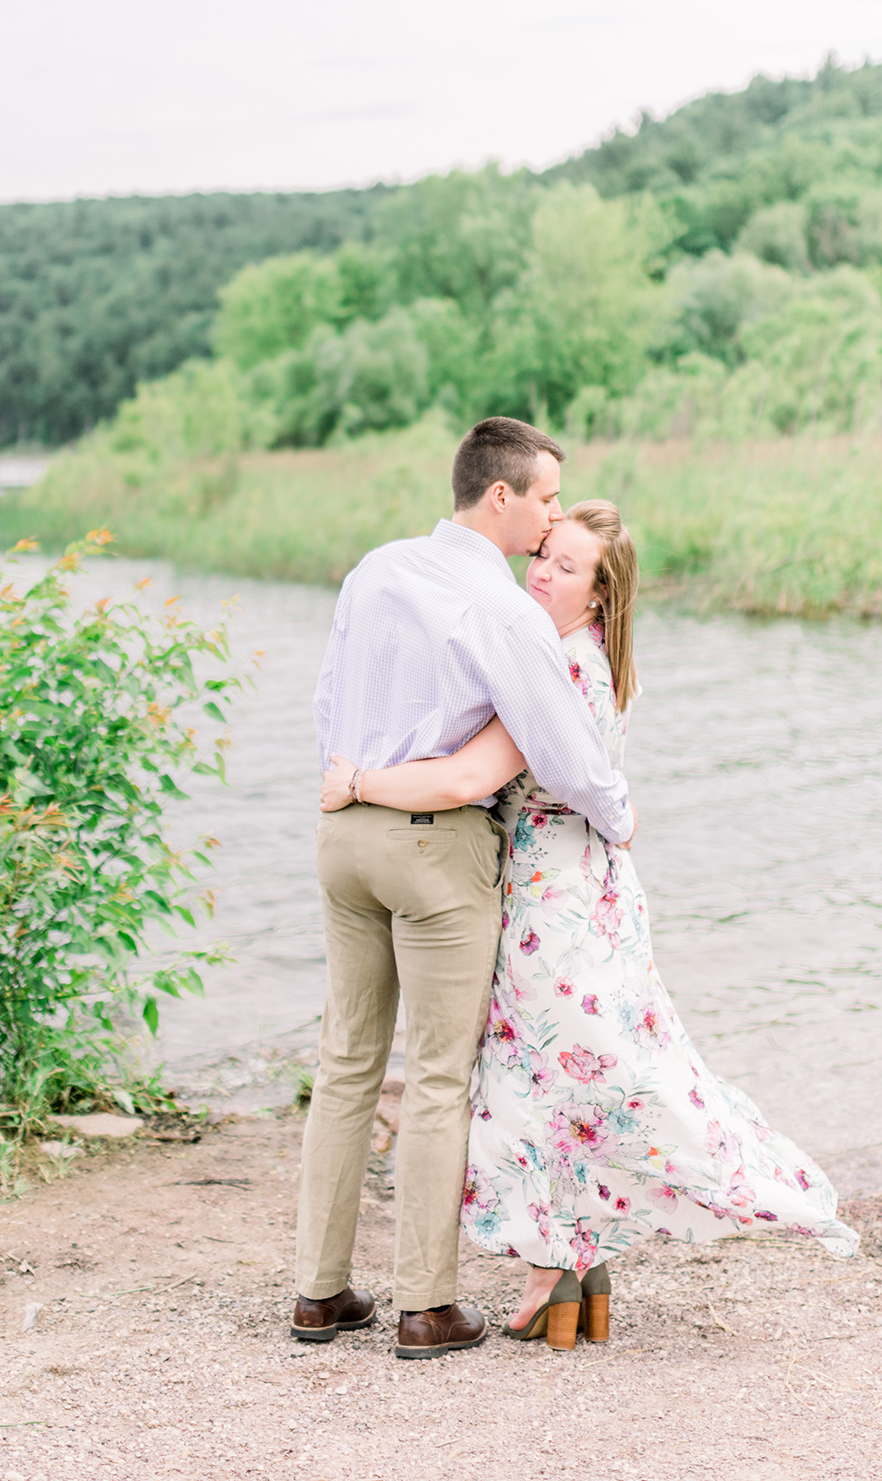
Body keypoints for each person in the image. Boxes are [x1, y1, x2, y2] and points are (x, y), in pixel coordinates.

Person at [322, 500, 859, 1350]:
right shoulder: (595, 657)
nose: (540, 574)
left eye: (566, 568)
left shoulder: (559, 666)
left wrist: (357, 781)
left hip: (551, 898)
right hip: (584, 886)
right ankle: (576, 1265)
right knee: (568, 1069)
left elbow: (468, 776)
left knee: (540, 1077)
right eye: (542, 557)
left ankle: (553, 1269)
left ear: (600, 596)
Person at [293, 420, 637, 1361]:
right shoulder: (505, 608)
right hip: (433, 849)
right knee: (439, 1078)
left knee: (347, 1064)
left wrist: (347, 783)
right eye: (547, 499)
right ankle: (426, 1308)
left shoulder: (376, 568)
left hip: (344, 836)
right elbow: (563, 750)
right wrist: (618, 812)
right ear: (502, 497)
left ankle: (319, 1295)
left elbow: (329, 702)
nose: (553, 516)